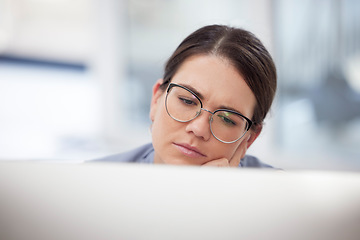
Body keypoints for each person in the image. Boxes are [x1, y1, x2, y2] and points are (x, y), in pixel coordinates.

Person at [94, 24, 277, 168]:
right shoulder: (92, 182)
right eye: (186, 101)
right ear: (156, 100)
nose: (199, 129)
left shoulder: (280, 198)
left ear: (249, 139)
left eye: (227, 119)